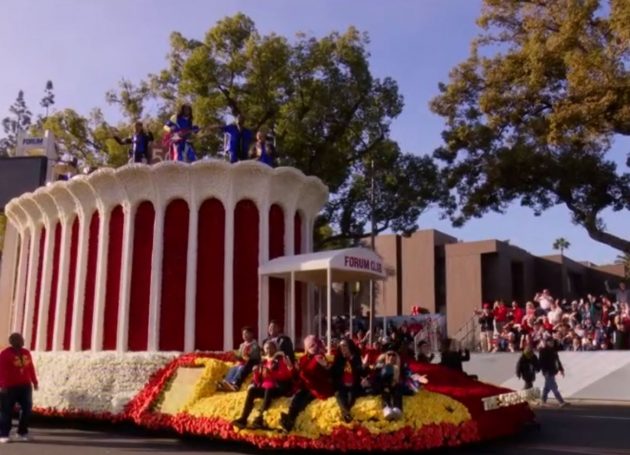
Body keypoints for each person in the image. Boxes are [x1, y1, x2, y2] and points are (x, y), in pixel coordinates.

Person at [232, 340, 293, 429]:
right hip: (264, 387)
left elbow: (285, 375)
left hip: (277, 387)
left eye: (270, 348)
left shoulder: (280, 360)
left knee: (268, 390)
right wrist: (256, 373)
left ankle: (260, 418)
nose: (268, 350)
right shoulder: (263, 362)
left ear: (275, 348)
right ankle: (243, 418)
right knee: (252, 390)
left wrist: (271, 373)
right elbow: (257, 381)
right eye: (266, 348)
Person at [280, 335, 332, 432]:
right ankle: (289, 422)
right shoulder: (303, 359)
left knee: (303, 401)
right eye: (311, 345)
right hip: (307, 387)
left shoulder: (320, 357)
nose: (314, 347)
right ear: (306, 348)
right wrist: (291, 368)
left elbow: (318, 375)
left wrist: (326, 367)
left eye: (315, 344)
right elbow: (297, 379)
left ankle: (290, 422)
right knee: (297, 399)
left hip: (318, 388)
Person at [0, 333, 38, 443]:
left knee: (26, 409)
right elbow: (1, 370)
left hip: (25, 386)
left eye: (22, 339)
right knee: (6, 411)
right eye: (20, 339)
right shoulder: (5, 354)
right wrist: (2, 385)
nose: (22, 341)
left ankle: (22, 432)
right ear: (13, 341)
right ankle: (4, 434)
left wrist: (34, 381)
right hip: (9, 387)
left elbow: (30, 367)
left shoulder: (26, 352)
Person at [373, 350, 428, 420]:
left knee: (397, 390)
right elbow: (376, 376)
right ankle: (386, 408)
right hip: (384, 386)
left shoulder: (401, 365)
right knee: (385, 390)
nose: (391, 357)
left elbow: (409, 373)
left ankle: (397, 408)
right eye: (389, 355)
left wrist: (418, 377)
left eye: (393, 355)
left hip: (397, 386)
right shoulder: (380, 365)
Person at [331, 338, 364, 423]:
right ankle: (346, 415)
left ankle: (346, 415)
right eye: (341, 346)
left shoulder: (356, 357)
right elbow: (334, 372)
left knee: (350, 398)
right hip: (341, 386)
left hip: (353, 386)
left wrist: (353, 361)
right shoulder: (338, 358)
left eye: (344, 345)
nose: (342, 348)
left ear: (349, 346)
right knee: (339, 395)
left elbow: (360, 371)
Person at [219, 326, 261, 391]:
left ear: (252, 334)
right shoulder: (242, 345)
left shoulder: (255, 345)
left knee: (241, 368)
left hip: (251, 363)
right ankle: (227, 382)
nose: (245, 335)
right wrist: (235, 356)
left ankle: (235, 384)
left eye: (247, 333)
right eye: (243, 334)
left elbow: (253, 358)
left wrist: (244, 357)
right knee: (233, 368)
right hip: (243, 362)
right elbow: (240, 356)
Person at [538, 338, 568, 407]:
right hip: (547, 371)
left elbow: (557, 361)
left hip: (553, 371)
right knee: (554, 387)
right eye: (550, 342)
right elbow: (541, 362)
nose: (552, 343)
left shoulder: (554, 351)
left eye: (552, 342)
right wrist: (542, 370)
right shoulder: (543, 351)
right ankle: (561, 401)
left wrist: (561, 369)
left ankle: (543, 401)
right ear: (547, 342)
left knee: (547, 387)